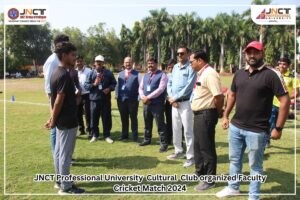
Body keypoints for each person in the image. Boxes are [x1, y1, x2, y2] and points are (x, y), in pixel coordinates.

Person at [216, 41, 290, 200]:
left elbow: (285, 100)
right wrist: (225, 115)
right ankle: (233, 187)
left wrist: (278, 128)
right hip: (236, 127)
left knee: (255, 167)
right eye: (249, 52)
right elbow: (232, 95)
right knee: (234, 160)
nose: (252, 55)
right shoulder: (239, 73)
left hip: (257, 131)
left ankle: (253, 196)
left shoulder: (271, 74)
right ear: (245, 54)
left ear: (262, 54)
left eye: (255, 52)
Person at [45, 42, 85, 194]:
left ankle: (60, 181)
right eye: (73, 55)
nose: (75, 58)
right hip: (67, 120)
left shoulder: (55, 72)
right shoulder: (64, 75)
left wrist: (53, 119)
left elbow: (55, 99)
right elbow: (58, 100)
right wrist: (53, 120)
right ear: (64, 55)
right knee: (65, 155)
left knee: (59, 152)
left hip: (62, 120)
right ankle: (66, 186)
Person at [189, 50, 224, 191]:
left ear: (200, 60)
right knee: (198, 146)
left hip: (206, 114)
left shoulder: (210, 74)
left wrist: (218, 112)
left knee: (206, 147)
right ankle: (200, 173)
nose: (190, 64)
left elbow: (219, 97)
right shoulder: (202, 73)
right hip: (199, 115)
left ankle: (210, 180)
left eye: (191, 61)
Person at [166, 46, 196, 168]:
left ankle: (191, 156)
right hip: (174, 103)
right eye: (178, 53)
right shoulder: (175, 68)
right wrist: (171, 98)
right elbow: (169, 83)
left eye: (182, 53)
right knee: (176, 128)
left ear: (187, 54)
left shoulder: (191, 68)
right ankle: (178, 151)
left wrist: (175, 98)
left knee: (188, 130)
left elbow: (189, 87)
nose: (179, 55)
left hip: (185, 103)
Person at [43, 34, 69, 155]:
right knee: (54, 125)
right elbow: (49, 85)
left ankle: (61, 154)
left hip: (62, 97)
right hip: (54, 97)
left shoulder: (60, 59)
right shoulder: (52, 60)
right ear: (58, 45)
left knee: (60, 127)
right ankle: (57, 155)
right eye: (65, 43)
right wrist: (52, 104)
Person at [265, 56, 300, 148]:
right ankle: (266, 141)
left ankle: (270, 136)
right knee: (269, 122)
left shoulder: (293, 78)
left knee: (277, 124)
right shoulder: (274, 75)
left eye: (284, 64)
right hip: (272, 104)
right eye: (280, 63)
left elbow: (296, 93)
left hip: (284, 106)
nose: (281, 65)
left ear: (288, 66)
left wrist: (285, 98)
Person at [84, 55, 116, 144]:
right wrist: (94, 84)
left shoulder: (108, 73)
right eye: (97, 61)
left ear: (103, 63)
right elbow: (86, 85)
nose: (98, 63)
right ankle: (95, 135)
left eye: (100, 62)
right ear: (94, 63)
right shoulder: (90, 73)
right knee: (94, 118)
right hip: (94, 100)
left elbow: (114, 83)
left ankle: (107, 135)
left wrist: (109, 89)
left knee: (106, 118)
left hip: (105, 100)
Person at [138, 58, 168, 153]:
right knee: (147, 123)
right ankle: (147, 140)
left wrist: (148, 97)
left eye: (152, 63)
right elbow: (140, 88)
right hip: (146, 104)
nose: (150, 65)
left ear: (156, 64)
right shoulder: (145, 75)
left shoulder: (162, 75)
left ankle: (164, 144)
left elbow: (161, 89)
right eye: (148, 63)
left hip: (157, 104)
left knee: (160, 125)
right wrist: (143, 97)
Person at [115, 57, 142, 142]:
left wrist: (139, 97)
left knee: (133, 118)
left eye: (129, 62)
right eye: (126, 62)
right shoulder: (120, 74)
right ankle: (124, 135)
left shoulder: (137, 74)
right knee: (124, 118)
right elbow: (117, 86)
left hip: (133, 100)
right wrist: (116, 95)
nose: (128, 64)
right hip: (121, 100)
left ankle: (135, 136)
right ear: (124, 63)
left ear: (132, 63)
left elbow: (141, 87)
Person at [75, 55, 92, 137]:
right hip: (77, 95)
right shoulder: (74, 72)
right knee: (78, 113)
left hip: (87, 95)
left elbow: (91, 82)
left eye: (80, 61)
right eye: (77, 61)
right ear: (75, 62)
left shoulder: (89, 71)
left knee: (88, 113)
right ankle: (81, 129)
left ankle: (89, 130)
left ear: (83, 62)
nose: (79, 63)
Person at [165, 59, 176, 145]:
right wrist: (169, 99)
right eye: (169, 67)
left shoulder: (178, 75)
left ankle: (178, 139)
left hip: (178, 102)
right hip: (168, 102)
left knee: (178, 122)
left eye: (172, 67)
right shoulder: (165, 77)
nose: (171, 69)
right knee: (169, 121)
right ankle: (169, 139)